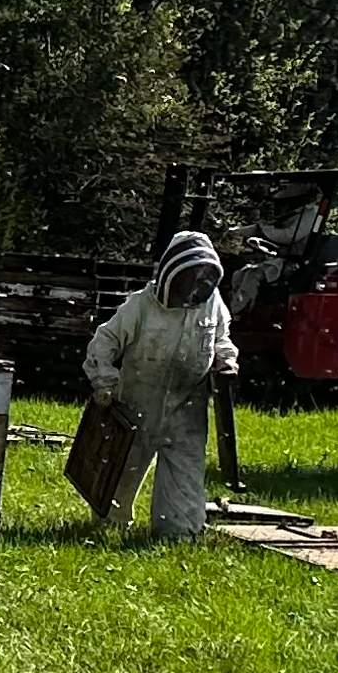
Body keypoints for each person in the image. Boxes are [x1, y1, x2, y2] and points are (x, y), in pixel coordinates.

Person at [74, 228, 239, 539]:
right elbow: (105, 341)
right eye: (187, 281)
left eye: (200, 280)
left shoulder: (212, 302)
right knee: (123, 471)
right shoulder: (141, 305)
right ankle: (110, 527)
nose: (192, 290)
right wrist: (105, 381)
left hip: (188, 406)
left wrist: (225, 361)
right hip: (138, 403)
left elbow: (221, 339)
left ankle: (178, 534)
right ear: (170, 272)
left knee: (185, 471)